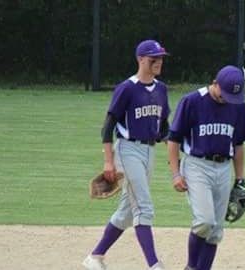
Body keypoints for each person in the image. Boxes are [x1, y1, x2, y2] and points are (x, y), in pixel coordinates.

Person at [83, 39, 171, 270]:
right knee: (143, 207)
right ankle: (154, 265)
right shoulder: (127, 88)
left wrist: (176, 156)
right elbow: (107, 127)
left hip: (149, 152)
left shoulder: (161, 89)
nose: (158, 61)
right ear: (140, 59)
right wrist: (109, 162)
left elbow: (164, 128)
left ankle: (95, 256)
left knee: (126, 212)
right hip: (127, 150)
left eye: (161, 57)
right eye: (154, 58)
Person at [167, 65, 245, 270]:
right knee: (205, 221)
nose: (227, 100)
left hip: (223, 168)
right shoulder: (192, 101)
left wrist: (239, 179)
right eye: (224, 94)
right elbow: (174, 140)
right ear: (215, 83)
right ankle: (190, 267)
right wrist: (176, 173)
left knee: (215, 231)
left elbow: (238, 144)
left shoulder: (238, 106)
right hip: (197, 165)